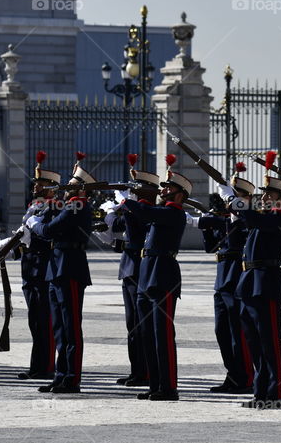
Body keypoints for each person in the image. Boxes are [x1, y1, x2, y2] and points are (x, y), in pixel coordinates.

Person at [219, 151, 281, 409]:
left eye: (269, 195)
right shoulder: (261, 219)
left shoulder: (279, 219)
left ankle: (276, 393)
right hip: (248, 281)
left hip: (267, 281)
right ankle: (261, 393)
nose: (263, 198)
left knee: (270, 341)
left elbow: (250, 216)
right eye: (263, 194)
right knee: (254, 342)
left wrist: (232, 197)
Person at [116, 154, 190, 401]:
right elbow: (138, 224)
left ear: (180, 194)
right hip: (147, 274)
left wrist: (128, 200)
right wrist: (127, 206)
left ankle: (169, 387)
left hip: (163, 276)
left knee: (163, 335)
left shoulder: (174, 213)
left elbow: (145, 212)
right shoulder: (159, 211)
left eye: (169, 187)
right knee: (147, 333)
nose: (164, 189)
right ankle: (155, 384)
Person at [26, 152, 93, 394]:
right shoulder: (66, 205)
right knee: (60, 328)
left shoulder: (78, 207)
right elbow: (51, 215)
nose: (66, 188)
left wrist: (36, 225)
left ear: (82, 189)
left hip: (70, 268)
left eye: (72, 185)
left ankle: (72, 378)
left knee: (71, 327)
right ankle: (61, 374)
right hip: (57, 268)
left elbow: (50, 230)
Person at [191, 162, 255, 394]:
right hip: (222, 280)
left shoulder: (247, 219)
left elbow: (238, 224)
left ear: (245, 198)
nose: (228, 199)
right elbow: (211, 248)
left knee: (239, 333)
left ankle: (246, 377)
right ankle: (233, 375)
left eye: (235, 195)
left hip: (236, 279)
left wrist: (213, 220)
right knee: (223, 332)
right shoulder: (226, 219)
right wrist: (206, 225)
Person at [96, 153, 159, 387]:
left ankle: (146, 371)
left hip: (140, 269)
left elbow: (127, 228)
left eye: (136, 189)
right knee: (132, 323)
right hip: (129, 268)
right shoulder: (136, 210)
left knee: (141, 323)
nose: (132, 192)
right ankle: (138, 371)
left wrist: (117, 210)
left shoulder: (147, 211)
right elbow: (122, 232)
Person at [13, 150, 58, 381]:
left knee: (44, 319)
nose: (35, 187)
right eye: (35, 183)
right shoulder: (33, 206)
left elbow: (48, 235)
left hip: (43, 267)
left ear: (50, 187)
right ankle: (37, 366)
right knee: (34, 320)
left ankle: (47, 365)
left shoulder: (54, 206)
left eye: (39, 184)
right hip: (29, 267)